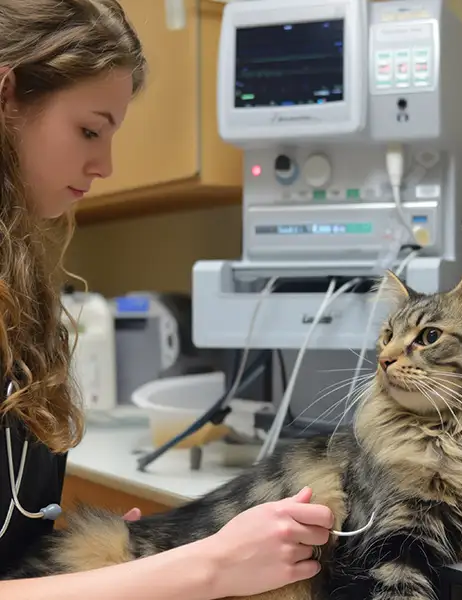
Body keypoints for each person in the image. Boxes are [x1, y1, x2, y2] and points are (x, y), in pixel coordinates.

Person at [0, 1, 334, 598]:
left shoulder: (19, 290)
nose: (105, 165)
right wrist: (206, 567)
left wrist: (126, 566)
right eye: (89, 130)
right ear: (7, 97)